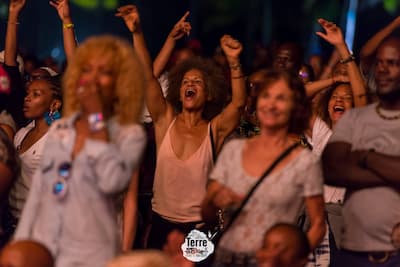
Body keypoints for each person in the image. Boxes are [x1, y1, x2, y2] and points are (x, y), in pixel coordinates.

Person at [117, 5, 246, 249]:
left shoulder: (214, 129)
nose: (191, 84)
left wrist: (234, 62)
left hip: (199, 229)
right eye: (186, 81)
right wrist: (137, 32)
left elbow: (239, 104)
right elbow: (147, 76)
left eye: (198, 82)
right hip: (161, 225)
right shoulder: (165, 120)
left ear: (208, 94)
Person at [14, 35, 147, 267]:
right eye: (87, 69)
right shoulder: (62, 129)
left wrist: (96, 119)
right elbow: (40, 193)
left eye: (103, 72)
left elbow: (110, 181)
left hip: (95, 252)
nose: (93, 78)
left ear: (119, 82)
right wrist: (22, 243)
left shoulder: (129, 134)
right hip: (50, 245)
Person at [201, 69, 325, 267]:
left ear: (295, 107)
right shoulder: (234, 149)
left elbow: (318, 225)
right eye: (266, 96)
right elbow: (207, 214)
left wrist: (291, 260)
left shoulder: (304, 161)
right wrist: (213, 203)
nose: (271, 104)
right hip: (227, 259)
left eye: (281, 98)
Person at [322, 36, 400, 266]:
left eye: (393, 63)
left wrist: (364, 157)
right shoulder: (355, 118)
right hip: (349, 253)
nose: (383, 69)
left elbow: (344, 167)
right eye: (380, 62)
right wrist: (392, 171)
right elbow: (331, 170)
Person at [8, 71, 62, 221]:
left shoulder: (56, 140)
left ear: (54, 104)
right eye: (28, 93)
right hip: (14, 223)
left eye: (36, 94)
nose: (27, 98)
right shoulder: (21, 134)